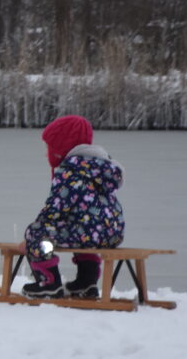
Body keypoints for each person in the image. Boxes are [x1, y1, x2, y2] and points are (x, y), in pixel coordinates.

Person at [21, 115, 124, 299]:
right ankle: (86, 282)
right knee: (81, 226)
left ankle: (48, 282)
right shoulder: (100, 167)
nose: (46, 153)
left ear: (61, 147)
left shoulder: (70, 171)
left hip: (90, 232)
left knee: (36, 233)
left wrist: (32, 241)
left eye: (49, 148)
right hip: (112, 233)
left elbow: (55, 209)